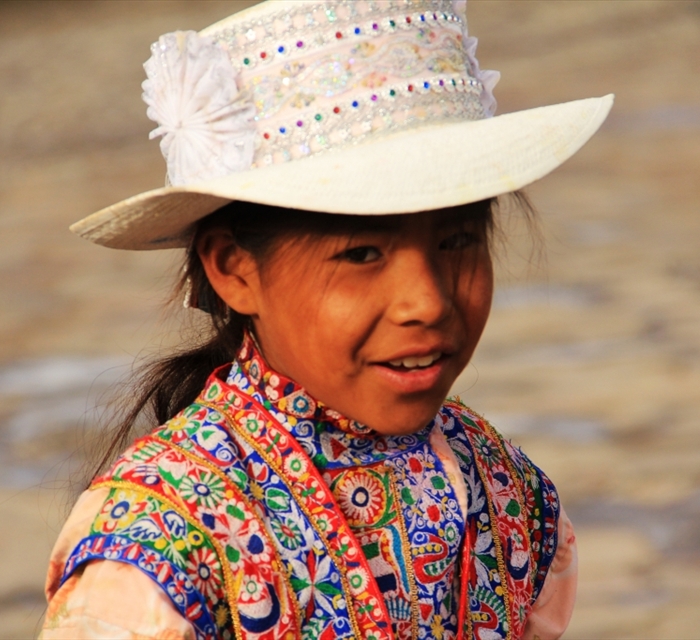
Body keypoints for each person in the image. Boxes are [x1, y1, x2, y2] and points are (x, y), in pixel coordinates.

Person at [40, 1, 612, 638]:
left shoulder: (509, 492)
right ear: (235, 270)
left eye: (456, 241)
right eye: (362, 254)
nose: (426, 301)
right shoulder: (159, 546)